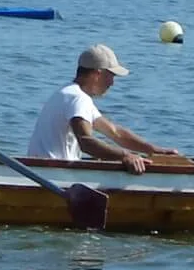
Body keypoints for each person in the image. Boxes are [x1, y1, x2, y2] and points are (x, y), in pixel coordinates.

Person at [25, 44, 180, 173]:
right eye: (111, 76)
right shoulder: (78, 99)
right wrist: (125, 156)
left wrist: (153, 150)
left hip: (43, 170)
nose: (112, 83)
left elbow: (115, 132)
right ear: (97, 74)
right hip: (50, 174)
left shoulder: (69, 92)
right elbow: (86, 142)